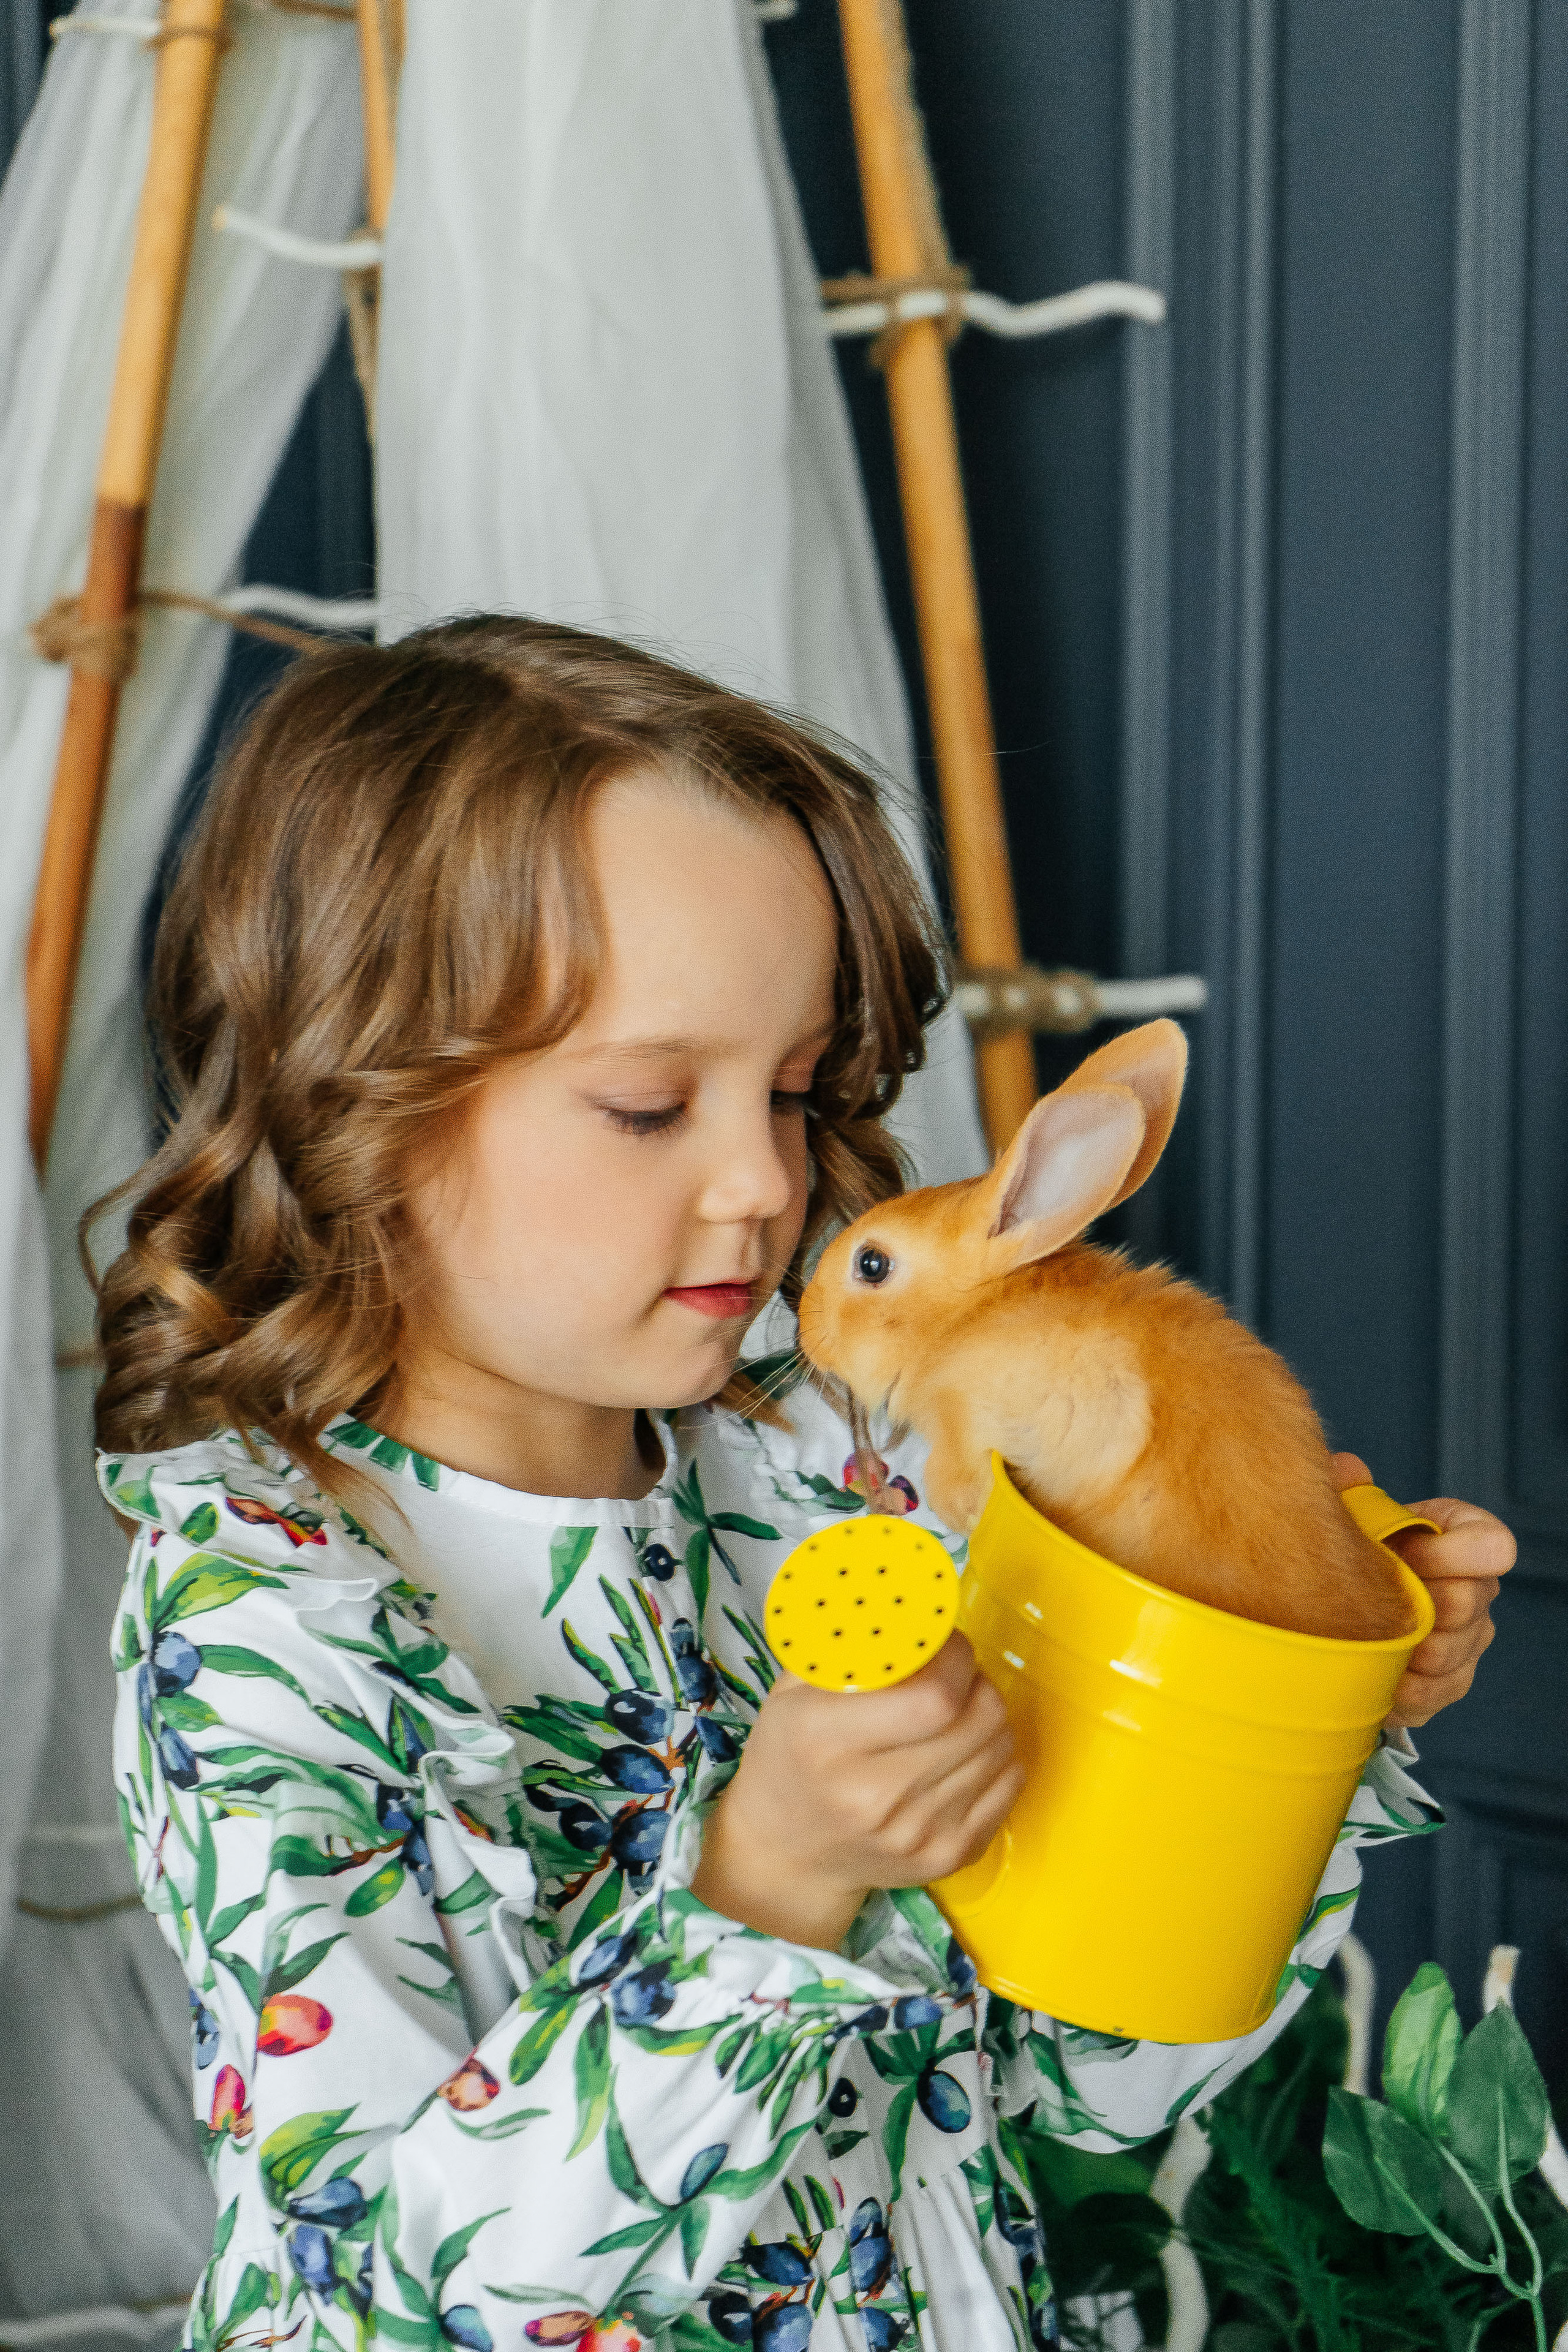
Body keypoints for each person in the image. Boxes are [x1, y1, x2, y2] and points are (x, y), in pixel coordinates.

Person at [93, 617, 1511, 2352]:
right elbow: (418, 2289)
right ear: (351, 1103)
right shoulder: (266, 1608)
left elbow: (1090, 2082)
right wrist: (761, 1894)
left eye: (793, 1087)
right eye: (644, 1105)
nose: (765, 1181)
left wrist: (1273, 1696)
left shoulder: (824, 1475)